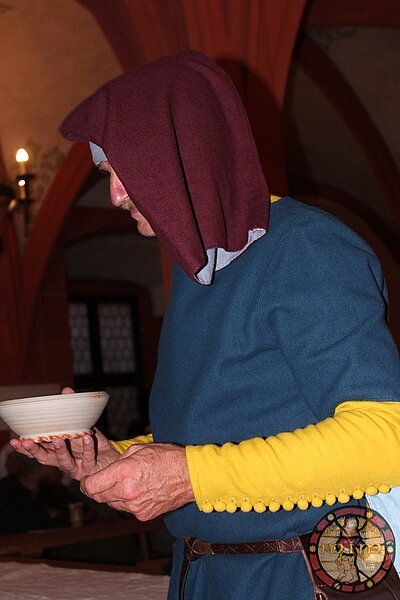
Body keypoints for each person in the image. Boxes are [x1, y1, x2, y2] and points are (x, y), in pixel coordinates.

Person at [9, 50, 400, 599]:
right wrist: (111, 457)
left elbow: (385, 440)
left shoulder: (306, 247)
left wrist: (189, 476)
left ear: (187, 152)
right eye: (108, 174)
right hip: (202, 575)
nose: (115, 195)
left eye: (126, 170)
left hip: (299, 577)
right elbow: (216, 434)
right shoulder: (198, 268)